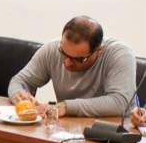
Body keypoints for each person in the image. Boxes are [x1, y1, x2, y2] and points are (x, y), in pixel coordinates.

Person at [8, 16, 136, 117]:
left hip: (111, 133)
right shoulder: (52, 49)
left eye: (78, 59)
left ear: (99, 50)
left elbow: (119, 102)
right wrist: (19, 95)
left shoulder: (119, 54)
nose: (68, 62)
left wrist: (67, 107)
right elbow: (19, 81)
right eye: (63, 53)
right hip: (68, 129)